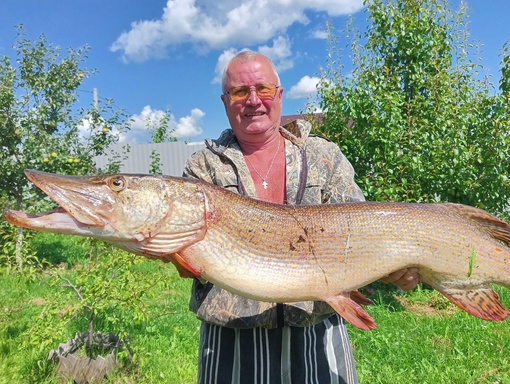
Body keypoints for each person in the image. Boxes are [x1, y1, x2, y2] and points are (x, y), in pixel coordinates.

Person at [182, 51, 419, 384]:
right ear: (225, 101)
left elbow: (362, 239)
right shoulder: (203, 167)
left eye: (263, 89)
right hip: (232, 342)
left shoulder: (323, 155)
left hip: (318, 330)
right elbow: (188, 260)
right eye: (240, 92)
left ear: (279, 95)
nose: (253, 101)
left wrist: (395, 266)